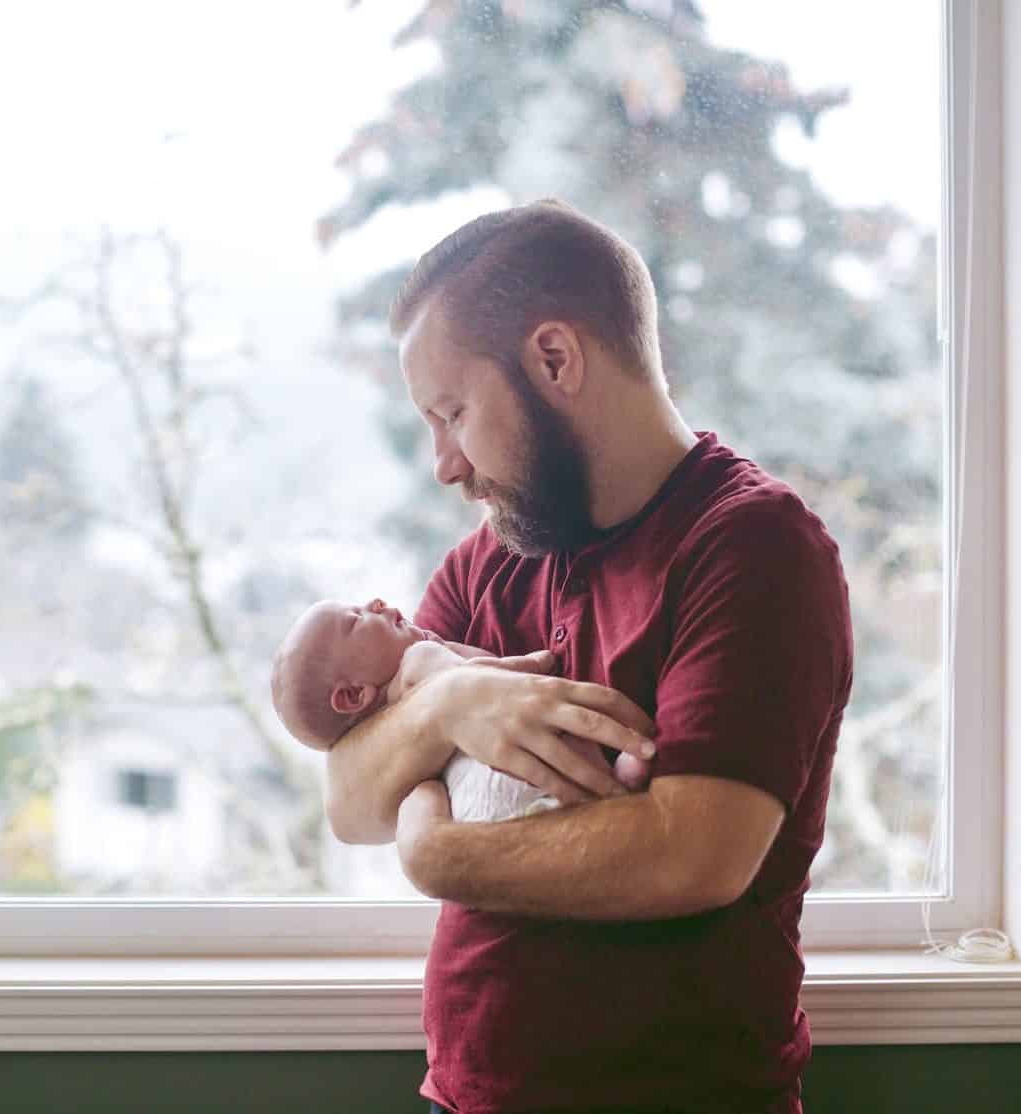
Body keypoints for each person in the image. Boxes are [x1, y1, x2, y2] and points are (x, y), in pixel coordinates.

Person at [324, 199, 854, 1114]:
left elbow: (692, 854)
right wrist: (451, 706)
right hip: (468, 1097)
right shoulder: (490, 558)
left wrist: (438, 857)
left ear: (554, 359)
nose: (444, 464)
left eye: (452, 411)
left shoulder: (752, 547)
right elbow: (349, 801)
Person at [271, 597, 651, 820]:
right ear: (353, 696)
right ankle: (621, 775)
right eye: (356, 619)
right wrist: (534, 664)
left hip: (480, 816)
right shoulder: (418, 659)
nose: (376, 603)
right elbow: (484, 685)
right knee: (555, 736)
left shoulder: (393, 750)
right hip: (509, 774)